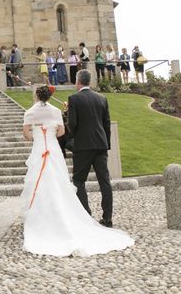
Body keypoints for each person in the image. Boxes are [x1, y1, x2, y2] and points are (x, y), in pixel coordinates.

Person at [22, 84, 134, 256]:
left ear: (37, 96)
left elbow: (26, 133)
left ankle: (43, 217)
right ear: (49, 96)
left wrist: (37, 136)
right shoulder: (56, 111)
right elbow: (61, 132)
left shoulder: (29, 112)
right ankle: (103, 216)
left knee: (43, 181)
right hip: (55, 149)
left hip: (39, 150)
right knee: (66, 181)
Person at [67, 69, 118, 229]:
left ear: (78, 81)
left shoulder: (74, 99)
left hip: (83, 146)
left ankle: (86, 216)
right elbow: (106, 124)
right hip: (101, 145)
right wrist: (106, 144)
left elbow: (73, 125)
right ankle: (107, 218)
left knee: (78, 181)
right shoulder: (102, 98)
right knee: (104, 181)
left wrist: (72, 134)